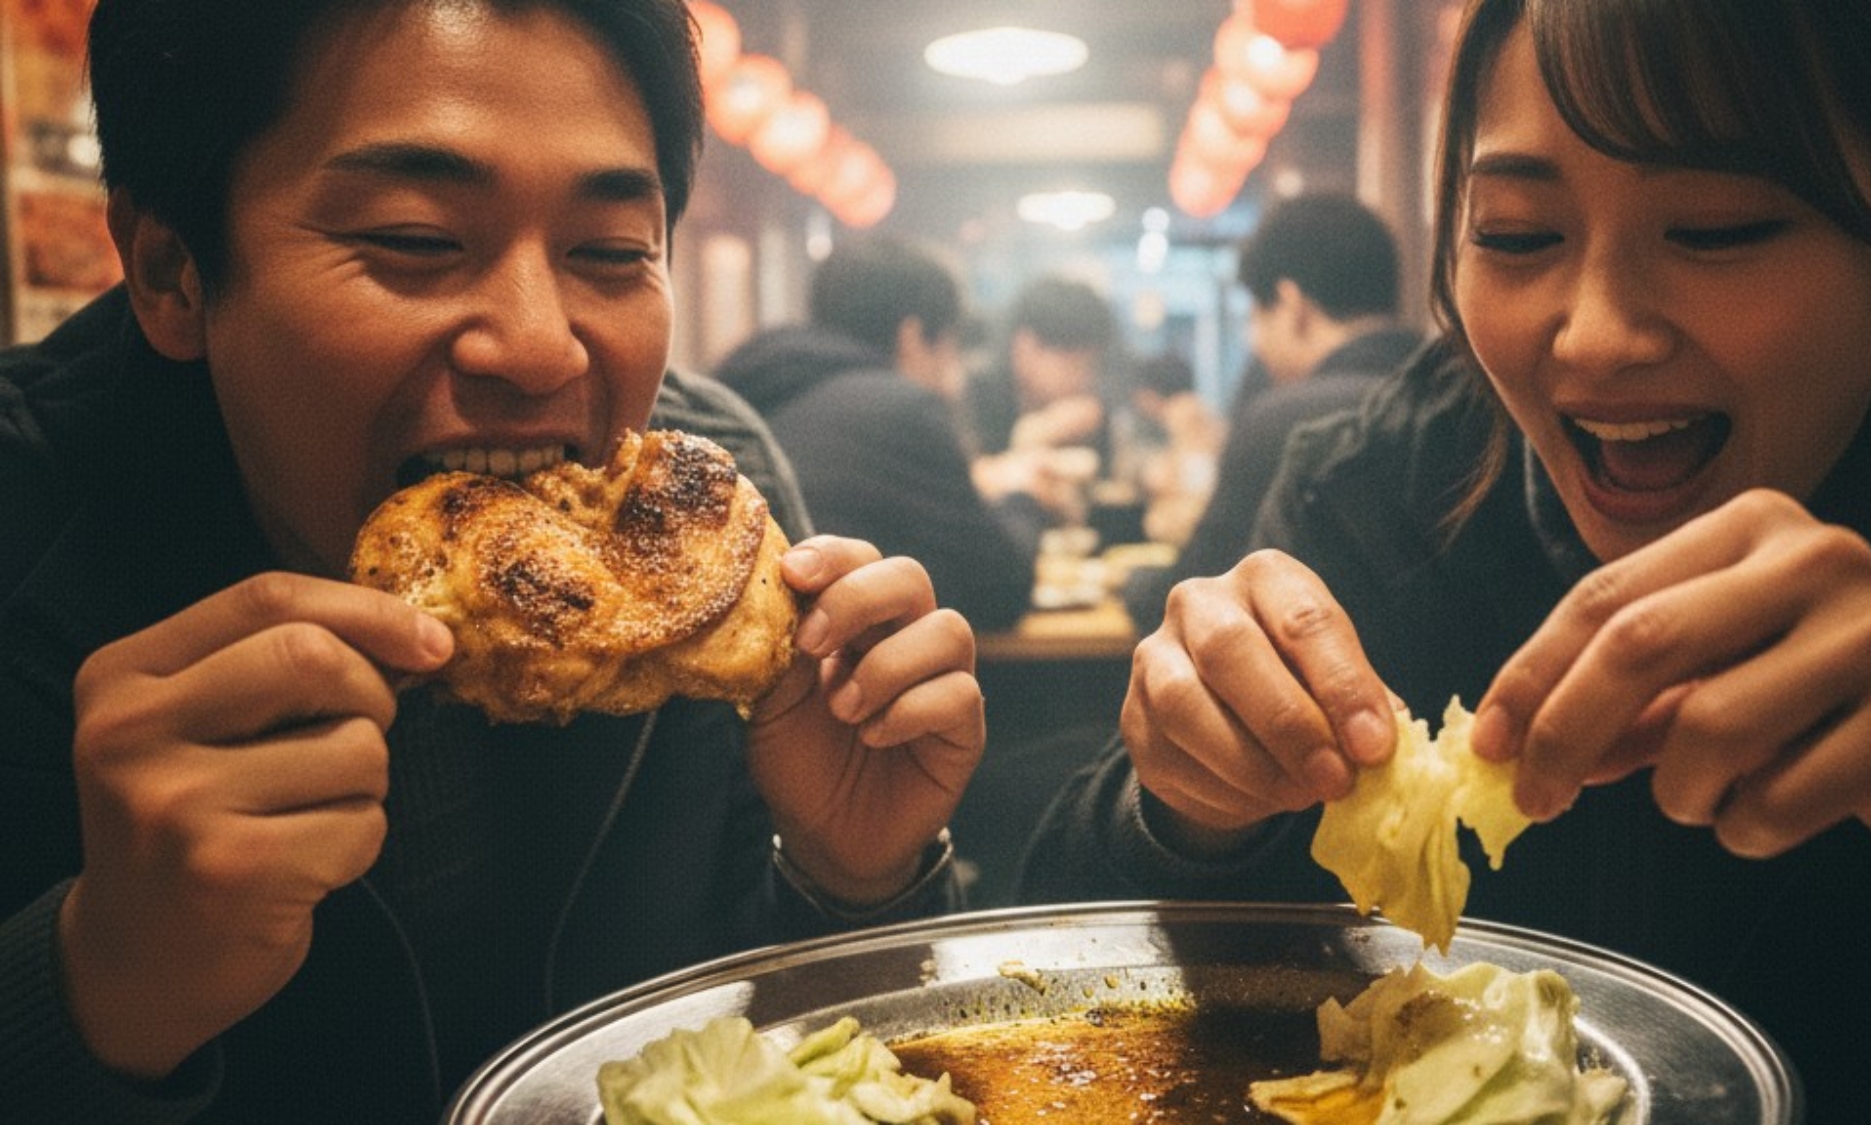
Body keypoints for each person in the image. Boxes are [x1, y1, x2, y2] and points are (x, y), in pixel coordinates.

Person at [0, 2, 984, 1122]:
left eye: (611, 252)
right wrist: (92, 985)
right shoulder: (27, 534)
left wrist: (852, 882)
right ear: (172, 267)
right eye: (417, 240)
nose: (534, 346)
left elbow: (783, 1066)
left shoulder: (710, 524)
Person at [1019, 0, 1871, 1120]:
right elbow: (1064, 980)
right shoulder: (1375, 491)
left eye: (1717, 229)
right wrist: (1184, 809)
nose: (1591, 335)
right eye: (1516, 235)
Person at [1124, 192, 1424, 633]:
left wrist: (1132, 584)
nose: (1254, 340)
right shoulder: (1467, 399)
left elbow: (1193, 592)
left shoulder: (1284, 421)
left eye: (1255, 316)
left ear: (1291, 305)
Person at [715, 234, 1039, 631]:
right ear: (913, 335)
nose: (955, 377)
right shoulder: (902, 408)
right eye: (951, 345)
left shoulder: (746, 385)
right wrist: (1024, 496)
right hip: (827, 671)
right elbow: (1002, 586)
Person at [962, 273, 1123, 525]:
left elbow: (1100, 501)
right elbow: (966, 497)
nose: (1083, 379)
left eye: (1091, 366)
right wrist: (1031, 440)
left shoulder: (1090, 413)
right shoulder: (972, 396)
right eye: (1074, 365)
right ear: (1026, 348)